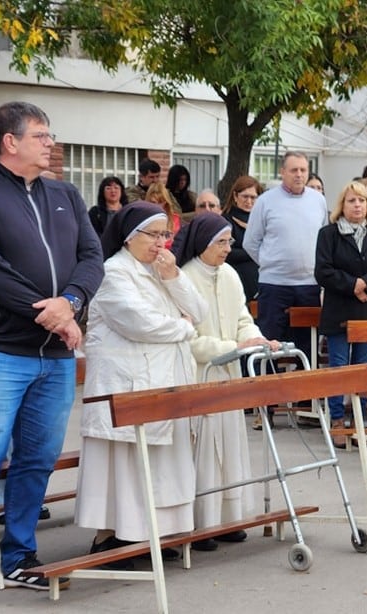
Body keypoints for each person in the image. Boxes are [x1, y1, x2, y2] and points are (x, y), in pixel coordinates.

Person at [0, 102, 103, 605]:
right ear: (10, 141)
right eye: (42, 136)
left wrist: (70, 304)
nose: (51, 144)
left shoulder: (65, 193)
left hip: (55, 356)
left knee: (37, 461)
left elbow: (92, 258)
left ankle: (21, 557)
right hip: (0, 351)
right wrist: (45, 312)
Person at [76, 202, 206, 566]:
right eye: (154, 235)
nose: (162, 243)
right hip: (126, 384)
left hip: (165, 383)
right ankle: (113, 538)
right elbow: (139, 322)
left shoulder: (160, 270)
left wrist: (174, 279)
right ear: (131, 237)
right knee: (126, 466)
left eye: (166, 234)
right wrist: (184, 328)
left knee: (161, 466)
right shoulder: (113, 272)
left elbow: (200, 311)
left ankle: (154, 534)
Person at [175, 214, 277, 551]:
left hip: (228, 375)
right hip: (200, 376)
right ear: (203, 243)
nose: (227, 248)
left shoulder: (231, 275)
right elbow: (188, 340)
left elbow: (242, 320)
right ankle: (201, 522)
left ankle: (227, 519)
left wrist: (258, 340)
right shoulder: (184, 278)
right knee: (203, 451)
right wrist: (233, 348)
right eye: (221, 242)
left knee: (230, 447)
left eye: (230, 241)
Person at [243, 151, 328, 427]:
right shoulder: (266, 201)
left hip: (308, 285)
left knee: (307, 346)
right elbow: (250, 243)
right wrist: (272, 264)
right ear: (282, 172)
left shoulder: (318, 201)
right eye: (294, 170)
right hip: (274, 285)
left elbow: (323, 239)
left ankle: (305, 407)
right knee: (269, 345)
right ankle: (265, 408)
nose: (299, 175)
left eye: (303, 170)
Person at [314, 182, 367, 447]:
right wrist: (353, 285)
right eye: (351, 201)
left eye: (361, 200)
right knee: (338, 366)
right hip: (339, 309)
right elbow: (322, 271)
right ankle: (337, 418)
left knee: (363, 367)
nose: (357, 205)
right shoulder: (328, 234)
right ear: (342, 205)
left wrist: (366, 285)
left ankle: (360, 418)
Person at [222, 175, 263, 303]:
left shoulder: (262, 221)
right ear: (235, 196)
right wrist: (255, 251)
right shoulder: (225, 221)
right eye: (245, 196)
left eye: (253, 197)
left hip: (260, 283)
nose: (249, 201)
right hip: (235, 280)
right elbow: (227, 252)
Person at [145, 181, 182, 248]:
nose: (157, 206)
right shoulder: (143, 219)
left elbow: (177, 244)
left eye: (160, 202)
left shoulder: (174, 219)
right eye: (153, 202)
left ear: (165, 202)